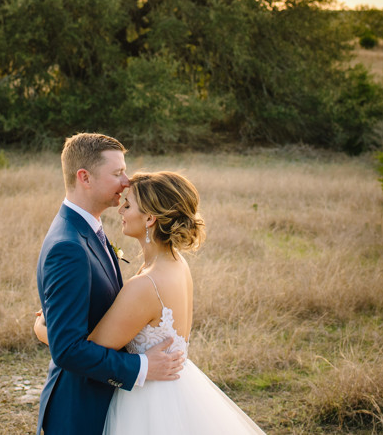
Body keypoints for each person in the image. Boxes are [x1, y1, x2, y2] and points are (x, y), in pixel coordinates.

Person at [36, 171, 266, 435]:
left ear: (149, 218)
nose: (120, 209)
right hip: (178, 390)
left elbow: (85, 351)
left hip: (147, 402)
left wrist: (44, 327)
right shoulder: (177, 263)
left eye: (128, 204)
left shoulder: (146, 285)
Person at [36, 133, 185, 435]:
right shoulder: (69, 246)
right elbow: (67, 349)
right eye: (117, 173)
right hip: (78, 412)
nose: (126, 181)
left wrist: (45, 329)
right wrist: (142, 367)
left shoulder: (89, 228)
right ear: (84, 177)